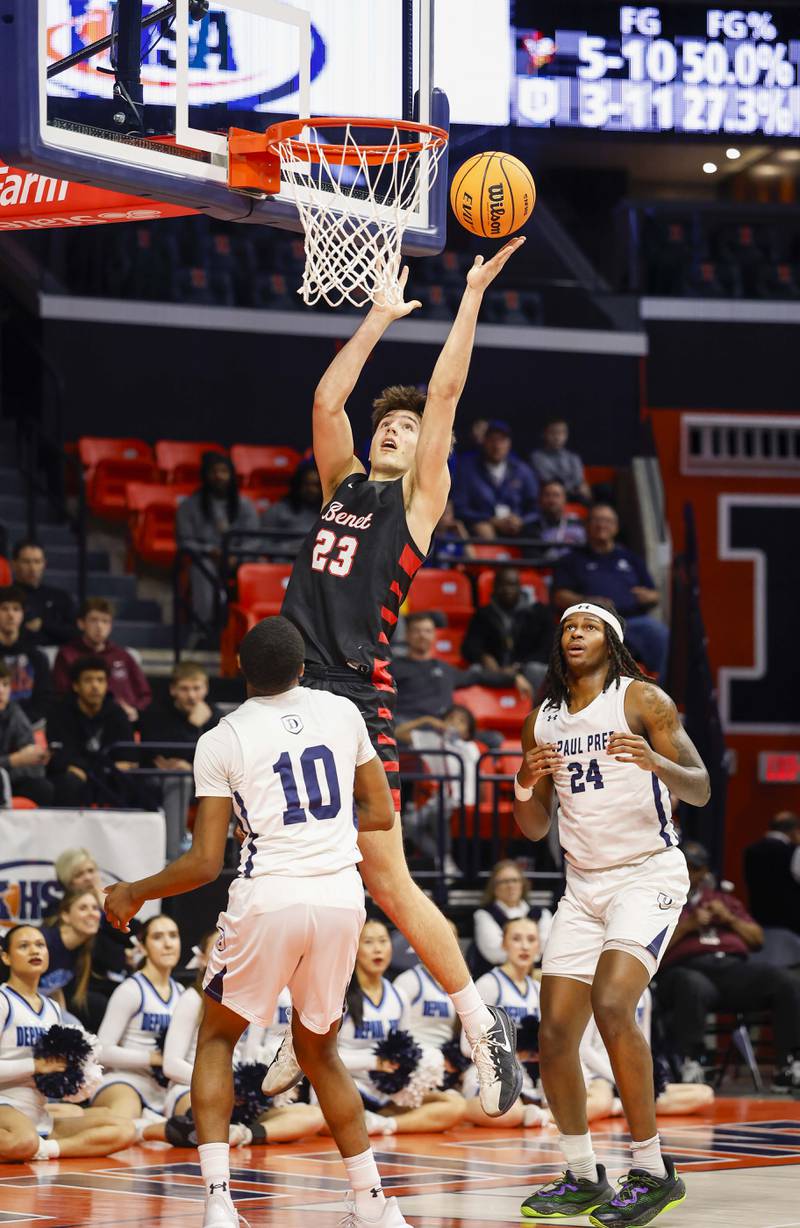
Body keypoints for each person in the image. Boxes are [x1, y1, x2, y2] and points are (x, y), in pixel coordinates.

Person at [278, 242, 528, 1120]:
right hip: (289, 700)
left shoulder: (419, 501)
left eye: (408, 427)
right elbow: (324, 400)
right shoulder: (341, 483)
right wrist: (377, 317)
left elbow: (448, 394)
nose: (395, 428)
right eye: (390, 423)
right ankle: (306, 1018)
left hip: (350, 692)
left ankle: (478, 1019)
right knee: (290, 871)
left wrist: (468, 295)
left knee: (385, 879)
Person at [104, 615, 417, 1228]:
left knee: (218, 1037)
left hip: (270, 895)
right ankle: (373, 1204)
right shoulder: (342, 713)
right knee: (319, 1052)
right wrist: (320, 833)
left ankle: (220, 1203)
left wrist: (133, 892)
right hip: (339, 896)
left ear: (239, 671)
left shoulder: (222, 737)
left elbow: (203, 862)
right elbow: (379, 812)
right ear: (302, 669)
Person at [513, 599, 710, 1226]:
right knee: (553, 1033)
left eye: (589, 626)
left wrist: (658, 761)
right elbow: (532, 825)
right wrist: (524, 778)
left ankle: (652, 1169)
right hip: (583, 886)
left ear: (612, 641)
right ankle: (581, 1172)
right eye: (568, 627)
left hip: (647, 873)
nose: (575, 634)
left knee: (613, 1003)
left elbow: (701, 787)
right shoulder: (542, 720)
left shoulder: (643, 701)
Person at [146, 932, 324, 1148]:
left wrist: (252, 1087)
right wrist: (225, 1084)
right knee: (204, 1117)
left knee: (313, 1116)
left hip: (237, 1095)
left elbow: (250, 1057)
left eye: (236, 948)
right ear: (203, 959)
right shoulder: (193, 998)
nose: (229, 953)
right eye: (220, 947)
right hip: (190, 1087)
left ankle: (244, 1134)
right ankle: (154, 1129)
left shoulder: (255, 999)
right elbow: (170, 1065)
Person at [656, 841, 800, 1093]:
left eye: (695, 868)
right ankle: (693, 1063)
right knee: (692, 984)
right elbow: (653, 950)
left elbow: (757, 940)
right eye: (685, 867)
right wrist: (688, 926)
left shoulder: (723, 901)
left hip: (731, 970)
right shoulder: (662, 900)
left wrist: (730, 919)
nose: (689, 873)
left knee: (785, 980)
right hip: (686, 970)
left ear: (704, 873)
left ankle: (786, 1066)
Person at [0, 925, 135, 1163]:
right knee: (22, 1139)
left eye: (40, 945)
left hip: (38, 1115)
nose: (35, 950)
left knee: (123, 1129)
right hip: (5, 1106)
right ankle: (29, 1145)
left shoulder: (52, 1008)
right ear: (6, 957)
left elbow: (53, 1072)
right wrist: (35, 1066)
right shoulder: (3, 1002)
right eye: (24, 946)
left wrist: (73, 1080)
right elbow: (40, 1065)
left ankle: (45, 1149)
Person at [334, 919, 466, 1137]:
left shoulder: (398, 996)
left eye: (383, 941)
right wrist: (374, 1062)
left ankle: (384, 1124)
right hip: (347, 1089)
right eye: (368, 942)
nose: (378, 949)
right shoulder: (339, 994)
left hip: (386, 1093)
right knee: (321, 1119)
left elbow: (406, 1049)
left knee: (454, 1105)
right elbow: (323, 1058)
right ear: (354, 948)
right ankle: (371, 1122)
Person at [553, 504, 669, 680]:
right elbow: (559, 596)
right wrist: (588, 601)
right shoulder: (571, 560)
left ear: (615, 527)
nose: (602, 525)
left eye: (607, 521)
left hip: (632, 622)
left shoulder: (630, 558)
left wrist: (648, 597)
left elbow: (655, 594)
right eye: (597, 520)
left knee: (660, 634)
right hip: (592, 622)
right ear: (587, 526)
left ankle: (660, 694)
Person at [91, 914, 183, 1121]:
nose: (168, 944)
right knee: (125, 1119)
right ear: (142, 946)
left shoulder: (181, 993)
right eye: (158, 937)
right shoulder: (131, 990)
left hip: (165, 1085)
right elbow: (102, 1050)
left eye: (173, 936)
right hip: (126, 1079)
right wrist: (154, 1059)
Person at [579, 989, 714, 1123]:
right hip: (601, 1075)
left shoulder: (644, 992)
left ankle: (620, 1106)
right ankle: (622, 1106)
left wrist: (647, 1077)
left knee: (704, 1094)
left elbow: (643, 1043)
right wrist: (620, 1078)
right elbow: (584, 1049)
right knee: (601, 1103)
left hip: (631, 1075)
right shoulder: (595, 987)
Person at [465, 917, 548, 1129]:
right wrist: (509, 1057)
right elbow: (466, 1045)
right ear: (503, 944)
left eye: (531, 939)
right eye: (516, 939)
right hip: (492, 1070)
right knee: (508, 1114)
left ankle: (538, 1113)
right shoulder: (489, 984)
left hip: (532, 1073)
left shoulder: (539, 989)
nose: (524, 946)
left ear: (539, 946)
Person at [139, 661, 223, 860]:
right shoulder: (155, 713)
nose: (192, 696)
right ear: (173, 690)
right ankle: (173, 856)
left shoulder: (214, 715)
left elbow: (220, 756)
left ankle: (220, 854)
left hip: (202, 778)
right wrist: (193, 726)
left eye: (197, 688)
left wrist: (191, 766)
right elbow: (158, 752)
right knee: (179, 779)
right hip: (157, 779)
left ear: (206, 688)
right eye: (185, 689)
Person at [394, 611, 530, 727]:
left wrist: (513, 678)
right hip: (408, 727)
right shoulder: (394, 667)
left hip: (443, 729)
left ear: (434, 636)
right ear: (407, 635)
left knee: (493, 739)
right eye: (416, 631)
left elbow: (478, 676)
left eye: (427, 631)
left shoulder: (445, 669)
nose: (422, 635)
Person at [176, 452, 260, 631]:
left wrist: (236, 555)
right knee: (201, 567)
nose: (219, 476)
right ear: (205, 475)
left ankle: (254, 626)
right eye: (214, 471)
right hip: (206, 559)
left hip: (237, 559)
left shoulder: (244, 505)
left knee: (255, 566)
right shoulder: (189, 506)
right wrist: (209, 550)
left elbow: (255, 540)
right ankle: (203, 628)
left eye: (224, 471)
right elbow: (184, 541)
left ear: (231, 475)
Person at [396, 703, 481, 875]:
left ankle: (444, 861)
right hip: (439, 800)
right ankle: (444, 859)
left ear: (469, 729)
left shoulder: (471, 747)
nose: (455, 724)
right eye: (450, 719)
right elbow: (397, 733)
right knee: (410, 824)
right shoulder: (433, 741)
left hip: (462, 798)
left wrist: (454, 739)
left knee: (438, 811)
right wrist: (425, 720)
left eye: (461, 721)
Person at [46, 657, 139, 807]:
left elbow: (128, 756)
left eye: (100, 680)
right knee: (68, 781)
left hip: (107, 775)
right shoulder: (60, 713)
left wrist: (97, 770)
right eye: (88, 680)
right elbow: (59, 755)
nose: (95, 686)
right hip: (75, 777)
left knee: (134, 781)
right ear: (76, 686)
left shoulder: (117, 713)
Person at [52, 847, 136, 1001]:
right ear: (67, 881)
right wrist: (123, 956)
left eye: (91, 871)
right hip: (81, 987)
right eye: (79, 874)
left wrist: (104, 904)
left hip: (114, 981)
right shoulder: (57, 910)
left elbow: (135, 933)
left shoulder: (107, 903)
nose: (88, 878)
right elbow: (92, 944)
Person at [52, 598, 151, 722]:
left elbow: (144, 694)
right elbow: (62, 695)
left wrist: (135, 709)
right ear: (81, 623)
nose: (99, 627)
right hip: (81, 721)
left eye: (105, 621)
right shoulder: (66, 655)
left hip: (126, 721)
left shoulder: (123, 655)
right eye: (94, 620)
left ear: (111, 626)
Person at [461, 567, 553, 694]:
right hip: (494, 670)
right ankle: (481, 710)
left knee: (537, 670)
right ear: (494, 587)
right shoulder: (483, 614)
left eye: (512, 585)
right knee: (474, 670)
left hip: (526, 669)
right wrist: (483, 657)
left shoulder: (539, 613)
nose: (507, 589)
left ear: (520, 587)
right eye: (502, 585)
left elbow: (547, 649)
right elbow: (469, 646)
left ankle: (537, 711)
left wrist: (519, 666)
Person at [452, 419, 540, 539]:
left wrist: (521, 521)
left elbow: (535, 508)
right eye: (492, 440)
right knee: (481, 531)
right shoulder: (466, 468)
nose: (497, 446)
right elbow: (459, 507)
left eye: (502, 440)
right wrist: (488, 520)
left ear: (509, 443)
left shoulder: (522, 470)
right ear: (484, 441)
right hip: (481, 528)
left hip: (517, 529)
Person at [470, 859, 553, 978]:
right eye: (504, 881)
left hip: (536, 980)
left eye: (515, 880)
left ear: (522, 884)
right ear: (494, 887)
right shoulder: (484, 914)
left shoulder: (542, 913)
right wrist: (531, 954)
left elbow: (548, 949)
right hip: (497, 979)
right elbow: (495, 953)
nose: (511, 885)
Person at [39, 889, 104, 1031]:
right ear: (65, 916)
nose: (92, 913)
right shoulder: (44, 943)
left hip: (42, 1004)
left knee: (75, 1029)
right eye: (83, 908)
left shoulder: (81, 949)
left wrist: (61, 1016)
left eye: (95, 908)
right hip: (16, 1004)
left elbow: (54, 989)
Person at [0, 659, 53, 806]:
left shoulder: (15, 713)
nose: (1, 691)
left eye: (5, 684)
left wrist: (37, 758)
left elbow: (32, 764)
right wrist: (14, 760)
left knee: (43, 788)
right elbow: (18, 759)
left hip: (10, 778)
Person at [0, 585, 52, 723]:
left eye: (16, 609)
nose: (10, 614)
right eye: (4, 608)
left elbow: (44, 700)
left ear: (23, 614)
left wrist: (20, 722)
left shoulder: (37, 657)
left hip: (29, 725)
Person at [743, 811, 800, 935]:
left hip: (758, 921)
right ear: (794, 830)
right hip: (790, 926)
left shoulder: (751, 850)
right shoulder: (794, 851)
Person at [11, 539, 77, 647]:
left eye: (37, 561)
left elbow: (76, 633)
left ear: (44, 564)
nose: (32, 568)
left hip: (57, 654)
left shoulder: (61, 597)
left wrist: (42, 625)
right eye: (26, 562)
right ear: (14, 564)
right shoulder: (5, 597)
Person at [260, 461, 323, 559]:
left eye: (316, 485)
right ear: (297, 485)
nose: (311, 489)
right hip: (284, 563)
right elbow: (263, 543)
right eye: (307, 484)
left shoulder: (331, 513)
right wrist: (290, 548)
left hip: (317, 566)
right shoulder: (278, 510)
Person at [530, 418, 592, 503]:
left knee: (602, 489)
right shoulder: (537, 456)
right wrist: (571, 488)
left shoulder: (573, 457)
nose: (557, 437)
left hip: (574, 494)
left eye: (562, 433)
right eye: (553, 432)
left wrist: (575, 487)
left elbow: (578, 479)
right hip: (552, 494)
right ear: (544, 434)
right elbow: (548, 479)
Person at [530, 478, 587, 560]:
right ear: (540, 500)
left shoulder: (578, 524)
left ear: (565, 499)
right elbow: (533, 556)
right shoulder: (531, 527)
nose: (552, 500)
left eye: (556, 495)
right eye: (547, 495)